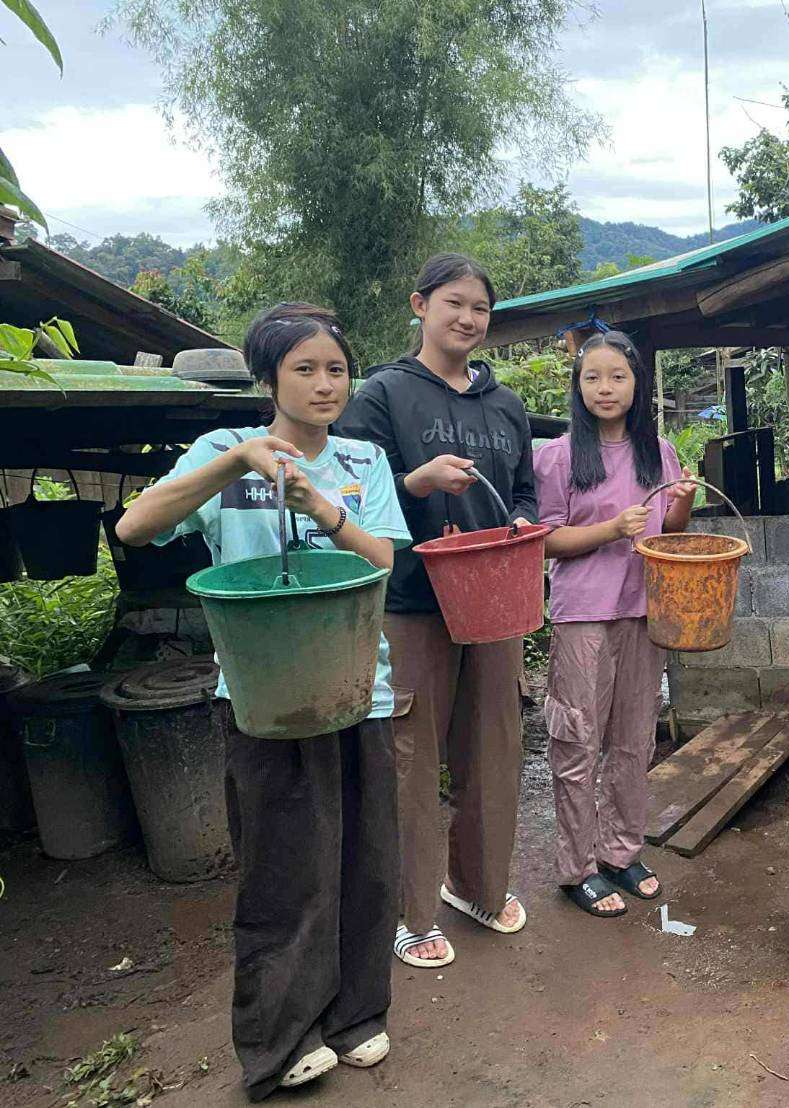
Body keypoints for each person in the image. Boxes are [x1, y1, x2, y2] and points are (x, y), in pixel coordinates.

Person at [116, 303, 410, 1100]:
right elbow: (137, 527)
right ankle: (279, 1038)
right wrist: (236, 462)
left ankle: (356, 1013)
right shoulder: (220, 450)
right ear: (268, 377)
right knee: (285, 867)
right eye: (304, 369)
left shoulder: (361, 458)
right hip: (265, 694)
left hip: (359, 686)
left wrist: (323, 509)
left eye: (336, 369)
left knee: (367, 862)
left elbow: (386, 558)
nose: (324, 384)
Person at [336, 253, 537, 968]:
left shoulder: (505, 404)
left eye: (479, 309)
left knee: (494, 745)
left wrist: (517, 523)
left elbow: (525, 497)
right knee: (410, 757)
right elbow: (351, 498)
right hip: (411, 601)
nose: (467, 319)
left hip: (495, 600)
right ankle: (409, 911)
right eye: (454, 303)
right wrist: (414, 481)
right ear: (419, 305)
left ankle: (478, 887)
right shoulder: (382, 396)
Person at [533, 330, 695, 916]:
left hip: (644, 609)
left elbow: (669, 534)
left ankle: (621, 853)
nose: (606, 388)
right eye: (593, 378)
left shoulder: (659, 450)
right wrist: (609, 530)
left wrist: (681, 501)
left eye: (618, 377)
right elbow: (544, 540)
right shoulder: (555, 455)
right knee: (577, 740)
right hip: (583, 616)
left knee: (633, 740)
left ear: (636, 385)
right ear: (578, 387)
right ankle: (576, 868)